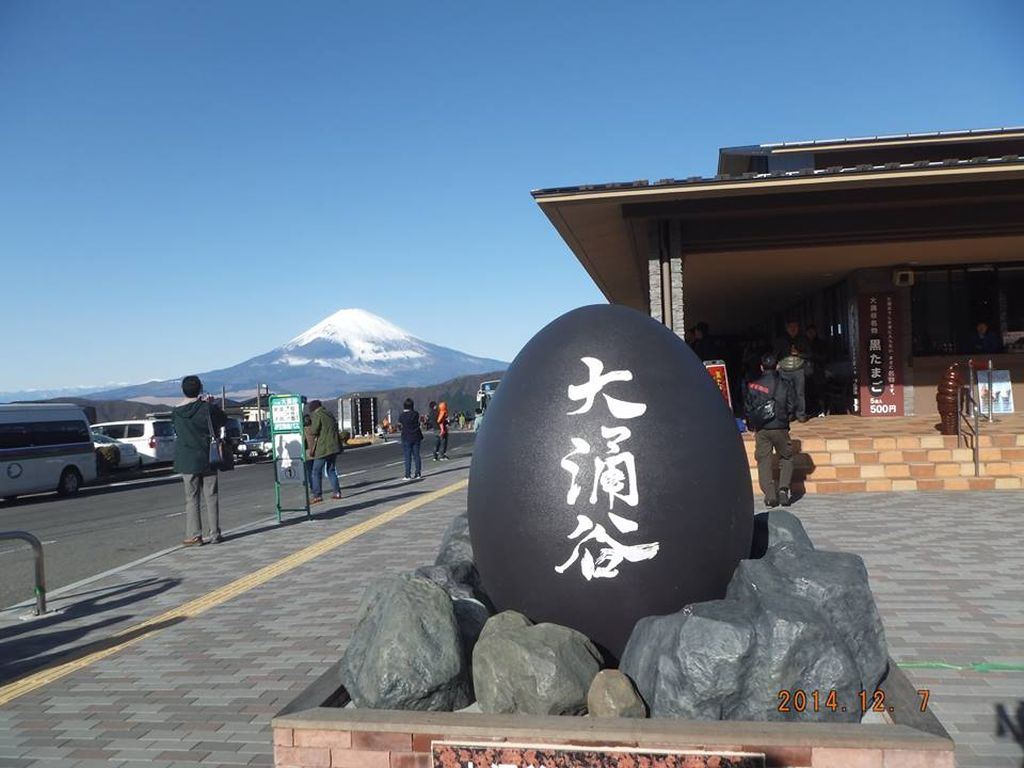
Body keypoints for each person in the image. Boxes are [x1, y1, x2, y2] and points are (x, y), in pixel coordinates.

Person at [171, 375, 227, 546]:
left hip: (187, 459)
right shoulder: (207, 408)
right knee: (211, 495)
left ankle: (195, 536)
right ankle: (215, 533)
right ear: (200, 389)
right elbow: (223, 419)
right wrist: (211, 404)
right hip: (208, 456)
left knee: (191, 498)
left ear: (183, 390)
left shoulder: (176, 411)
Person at [744, 353, 797, 508]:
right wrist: (786, 419)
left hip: (762, 429)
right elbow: (792, 405)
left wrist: (750, 426)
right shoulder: (786, 384)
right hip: (781, 427)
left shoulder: (753, 386)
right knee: (786, 458)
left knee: (764, 461)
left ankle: (769, 494)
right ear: (778, 366)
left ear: (761, 367)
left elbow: (749, 408)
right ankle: (783, 490)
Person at [774, 319, 811, 423]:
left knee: (800, 393)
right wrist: (776, 364)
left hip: (798, 369)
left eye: (795, 327)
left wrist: (799, 354)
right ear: (787, 328)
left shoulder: (803, 339)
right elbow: (775, 353)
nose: (793, 329)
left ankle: (801, 414)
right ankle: (789, 413)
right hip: (784, 369)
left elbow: (809, 354)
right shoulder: (780, 340)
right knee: (786, 393)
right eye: (791, 327)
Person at [307, 399, 342, 503]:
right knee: (331, 470)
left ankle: (317, 495)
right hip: (334, 446)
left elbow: (314, 430)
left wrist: (309, 426)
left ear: (313, 408)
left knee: (316, 471)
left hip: (323, 448)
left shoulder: (318, 415)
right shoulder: (329, 414)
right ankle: (337, 492)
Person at [804, 324, 829, 418]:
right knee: (807, 392)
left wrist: (810, 356)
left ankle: (821, 410)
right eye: (809, 332)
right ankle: (809, 410)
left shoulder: (821, 343)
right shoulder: (804, 343)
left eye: (812, 332)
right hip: (806, 371)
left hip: (818, 370)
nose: (810, 334)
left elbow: (825, 357)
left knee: (820, 392)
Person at [398, 397, 423, 481]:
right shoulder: (416, 414)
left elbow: (400, 424)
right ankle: (418, 473)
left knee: (407, 457)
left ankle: (407, 475)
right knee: (416, 455)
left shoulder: (402, 416)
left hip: (406, 437)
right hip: (416, 436)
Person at [302, 413, 316, 488]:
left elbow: (303, 442)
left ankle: (312, 486)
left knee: (310, 471)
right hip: (317, 451)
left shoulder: (304, 430)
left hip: (308, 452)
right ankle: (316, 486)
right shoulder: (314, 428)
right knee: (316, 471)